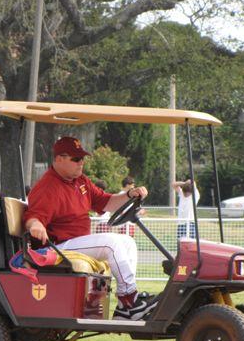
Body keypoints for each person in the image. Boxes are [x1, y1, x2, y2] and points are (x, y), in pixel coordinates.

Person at [24, 136, 158, 321]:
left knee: (127, 241)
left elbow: (106, 202)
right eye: (76, 159)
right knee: (111, 243)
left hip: (76, 243)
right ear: (59, 159)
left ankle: (124, 308)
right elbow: (33, 218)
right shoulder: (48, 187)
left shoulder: (81, 182)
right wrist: (36, 225)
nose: (82, 163)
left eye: (82, 158)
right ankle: (129, 300)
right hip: (57, 247)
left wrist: (129, 195)